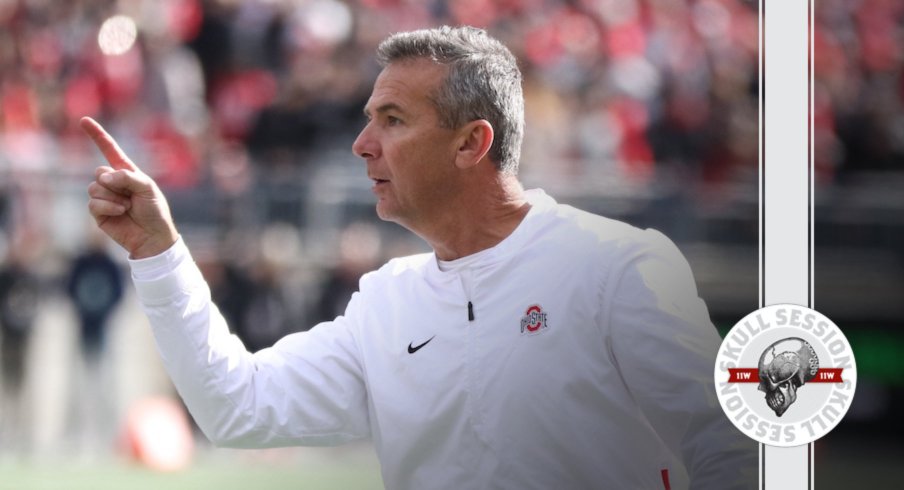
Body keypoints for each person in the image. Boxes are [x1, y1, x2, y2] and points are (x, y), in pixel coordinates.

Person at [83, 26, 755, 490]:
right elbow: (237, 406)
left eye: (393, 120)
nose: (361, 143)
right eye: (369, 117)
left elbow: (735, 451)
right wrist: (160, 254)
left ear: (472, 143)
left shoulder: (619, 267)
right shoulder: (387, 299)